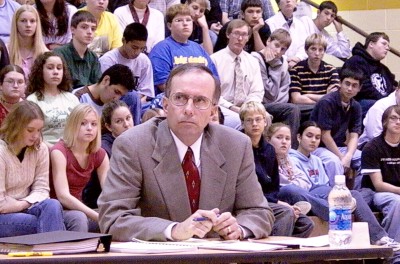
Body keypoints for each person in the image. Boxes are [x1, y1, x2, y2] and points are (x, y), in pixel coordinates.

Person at [98, 63, 274, 241]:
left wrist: (238, 228)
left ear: (213, 111)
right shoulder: (132, 145)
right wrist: (173, 230)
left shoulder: (236, 145)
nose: (189, 109)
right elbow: (114, 219)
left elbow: (259, 212)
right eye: (180, 98)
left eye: (200, 101)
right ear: (166, 105)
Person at [278, 120, 400, 248]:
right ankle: (340, 209)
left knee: (354, 194)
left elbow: (325, 185)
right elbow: (302, 187)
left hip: (323, 195)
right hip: (308, 197)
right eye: (309, 136)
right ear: (299, 137)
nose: (313, 140)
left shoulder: (318, 160)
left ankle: (381, 238)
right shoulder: (291, 158)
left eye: (318, 137)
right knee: (297, 191)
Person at [240, 101, 313, 238]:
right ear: (243, 124)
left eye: (258, 119)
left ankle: (284, 256)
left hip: (268, 201)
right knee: (287, 212)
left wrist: (281, 203)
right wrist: (284, 205)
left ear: (265, 122)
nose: (254, 124)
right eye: (249, 120)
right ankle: (273, 256)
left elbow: (273, 188)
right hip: (247, 203)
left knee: (306, 224)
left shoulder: (269, 150)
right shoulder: (238, 145)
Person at [0, 100, 65, 238]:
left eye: (39, 130)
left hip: (26, 206)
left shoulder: (40, 148)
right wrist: (26, 203)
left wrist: (21, 204)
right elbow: (1, 205)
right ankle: (58, 256)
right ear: (16, 126)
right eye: (30, 130)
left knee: (53, 205)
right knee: (46, 221)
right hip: (3, 216)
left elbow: (42, 190)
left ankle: (54, 255)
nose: (36, 135)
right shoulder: (1, 152)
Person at [50, 104, 109, 232]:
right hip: (56, 212)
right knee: (79, 218)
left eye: (94, 124)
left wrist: (114, 216)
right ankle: (79, 251)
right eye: (83, 123)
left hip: (80, 208)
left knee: (123, 220)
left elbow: (109, 192)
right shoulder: (59, 151)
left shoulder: (100, 154)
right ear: (73, 125)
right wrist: (97, 216)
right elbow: (63, 196)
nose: (89, 128)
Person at [310, 66, 363, 186]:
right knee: (334, 162)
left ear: (359, 88)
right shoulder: (327, 102)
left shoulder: (356, 106)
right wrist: (341, 158)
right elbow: (325, 135)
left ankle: (358, 194)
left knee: (365, 158)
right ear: (340, 83)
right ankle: (337, 197)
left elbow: (354, 135)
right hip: (319, 147)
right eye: (347, 84)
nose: (350, 88)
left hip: (339, 147)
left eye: (354, 85)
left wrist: (348, 156)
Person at [148, 4, 218, 94]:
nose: (185, 23)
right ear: (169, 26)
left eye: (188, 20)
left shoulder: (199, 49)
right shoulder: (161, 49)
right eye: (179, 20)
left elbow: (213, 78)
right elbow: (163, 85)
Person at [210, 19, 263, 129]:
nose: (240, 39)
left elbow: (257, 91)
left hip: (247, 107)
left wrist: (248, 108)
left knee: (265, 119)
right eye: (236, 33)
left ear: (248, 38)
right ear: (228, 34)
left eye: (244, 35)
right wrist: (232, 107)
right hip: (223, 107)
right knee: (239, 121)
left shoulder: (252, 61)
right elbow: (212, 94)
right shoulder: (215, 60)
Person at [251, 28, 300, 146]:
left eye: (283, 49)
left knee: (314, 109)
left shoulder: (283, 61)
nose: (278, 51)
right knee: (292, 110)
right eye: (276, 45)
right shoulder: (255, 59)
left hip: (280, 103)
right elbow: (270, 94)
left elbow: (284, 89)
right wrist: (274, 66)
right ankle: (291, 151)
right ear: (268, 41)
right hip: (261, 104)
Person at [361, 105, 400, 245]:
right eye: (394, 118)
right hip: (377, 193)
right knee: (397, 202)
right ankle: (394, 252)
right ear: (384, 122)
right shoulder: (372, 147)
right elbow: (378, 185)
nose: (398, 122)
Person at [26, 51, 79, 147]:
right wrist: (54, 151)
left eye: (59, 68)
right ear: (40, 71)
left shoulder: (72, 99)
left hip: (70, 148)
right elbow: (31, 133)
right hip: (42, 150)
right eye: (50, 68)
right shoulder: (32, 100)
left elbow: (79, 128)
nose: (55, 72)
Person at [343, 32, 396, 117]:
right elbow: (362, 88)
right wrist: (385, 101)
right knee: (376, 105)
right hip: (359, 103)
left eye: (388, 46)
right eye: (384, 44)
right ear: (371, 44)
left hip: (381, 103)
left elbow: (394, 87)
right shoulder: (355, 61)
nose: (387, 48)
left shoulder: (384, 69)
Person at [99, 22, 154, 103]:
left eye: (142, 48)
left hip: (139, 103)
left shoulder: (144, 61)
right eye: (134, 47)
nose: (137, 52)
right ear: (124, 41)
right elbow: (105, 90)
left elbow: (145, 93)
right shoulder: (108, 60)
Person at [290, 33, 340, 122]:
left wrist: (307, 96)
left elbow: (334, 98)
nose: (317, 53)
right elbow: (296, 99)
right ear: (306, 50)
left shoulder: (331, 70)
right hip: (304, 110)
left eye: (321, 50)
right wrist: (323, 98)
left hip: (325, 108)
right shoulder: (296, 70)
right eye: (313, 49)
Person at [73, 64, 141, 126]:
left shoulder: (111, 104)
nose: (117, 98)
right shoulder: (78, 98)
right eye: (116, 92)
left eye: (121, 95)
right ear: (106, 80)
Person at [54, 10, 101, 89]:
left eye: (93, 29)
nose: (89, 32)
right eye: (84, 27)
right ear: (72, 29)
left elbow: (97, 86)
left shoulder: (93, 57)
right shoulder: (59, 54)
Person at [8, 4, 48, 78]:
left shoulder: (45, 54)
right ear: (16, 24)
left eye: (32, 21)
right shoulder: (6, 51)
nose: (28, 25)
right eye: (23, 21)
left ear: (37, 24)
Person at [266, 0, 307, 68]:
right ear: (278, 4)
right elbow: (270, 49)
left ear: (296, 3)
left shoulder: (301, 25)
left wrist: (297, 59)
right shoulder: (269, 23)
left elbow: (304, 47)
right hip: (274, 67)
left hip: (297, 65)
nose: (288, 1)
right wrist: (286, 60)